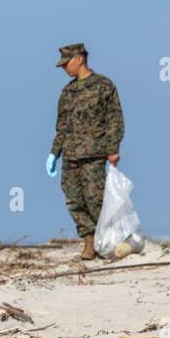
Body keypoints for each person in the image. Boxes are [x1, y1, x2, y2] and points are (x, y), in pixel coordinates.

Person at [46, 43, 124, 260]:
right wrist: (54, 153)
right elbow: (61, 126)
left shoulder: (103, 86)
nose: (64, 68)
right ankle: (89, 241)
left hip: (93, 153)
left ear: (79, 59)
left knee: (95, 199)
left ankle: (106, 241)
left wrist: (113, 148)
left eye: (66, 63)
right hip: (70, 155)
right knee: (73, 200)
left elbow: (114, 119)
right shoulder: (67, 92)